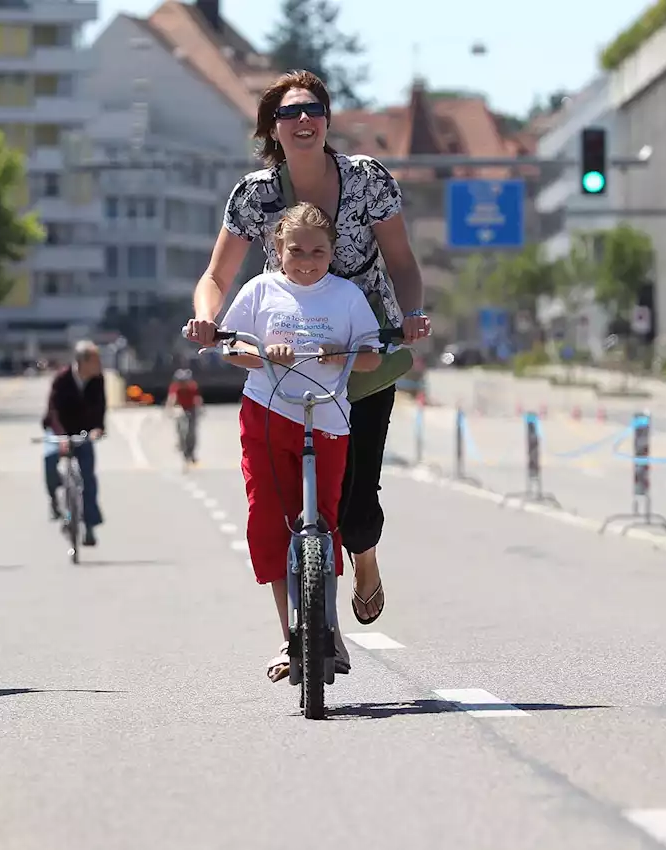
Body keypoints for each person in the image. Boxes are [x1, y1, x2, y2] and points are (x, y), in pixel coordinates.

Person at [184, 69, 431, 627]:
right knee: (288, 506)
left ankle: (363, 558)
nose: (303, 121)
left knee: (356, 502)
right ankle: (305, 623)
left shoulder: (367, 180)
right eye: (290, 113)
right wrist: (206, 319)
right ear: (273, 127)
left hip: (361, 355)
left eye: (313, 111)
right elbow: (217, 277)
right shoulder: (255, 195)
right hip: (289, 365)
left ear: (327, 120)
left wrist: (412, 315)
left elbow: (403, 264)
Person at [215, 202, 384, 682]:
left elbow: (370, 357)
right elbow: (233, 348)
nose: (307, 260)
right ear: (277, 250)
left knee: (324, 523)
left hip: (328, 415)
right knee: (270, 517)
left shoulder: (347, 296)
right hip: (269, 414)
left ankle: (328, 631)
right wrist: (265, 350)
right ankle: (291, 634)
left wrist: (344, 353)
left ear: (333, 251)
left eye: (318, 251)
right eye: (296, 250)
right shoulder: (260, 291)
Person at [43, 340, 106, 545]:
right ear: (83, 361)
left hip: (84, 432)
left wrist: (98, 428)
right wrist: (61, 436)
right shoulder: (62, 379)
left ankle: (89, 526)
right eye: (96, 361)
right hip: (59, 429)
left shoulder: (98, 380)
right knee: (50, 459)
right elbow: (53, 411)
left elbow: (100, 406)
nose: (99, 365)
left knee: (87, 477)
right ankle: (55, 498)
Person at [166, 368, 202, 465]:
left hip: (191, 408)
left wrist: (199, 409)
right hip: (181, 408)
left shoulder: (192, 386)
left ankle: (191, 452)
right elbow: (172, 398)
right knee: (182, 429)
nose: (182, 384)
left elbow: (197, 399)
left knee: (191, 432)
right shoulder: (175, 387)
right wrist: (169, 408)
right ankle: (182, 446)